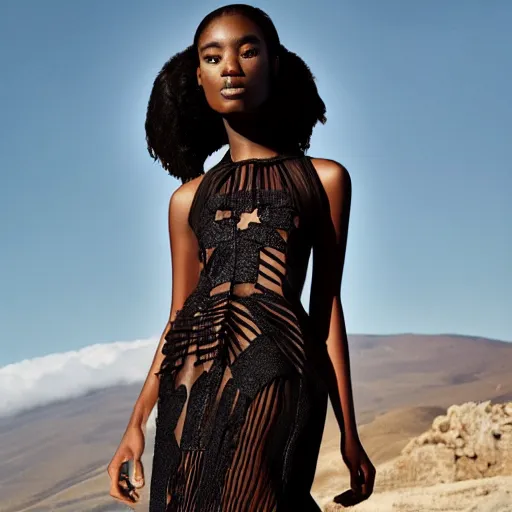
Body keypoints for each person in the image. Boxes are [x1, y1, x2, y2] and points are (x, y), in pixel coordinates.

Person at [107, 3, 376, 511]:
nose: (230, 66)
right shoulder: (187, 200)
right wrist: (136, 423)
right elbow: (177, 315)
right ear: (198, 77)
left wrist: (349, 431)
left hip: (274, 371)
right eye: (213, 57)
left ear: (275, 63)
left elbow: (327, 306)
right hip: (188, 382)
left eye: (248, 50)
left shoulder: (324, 179)